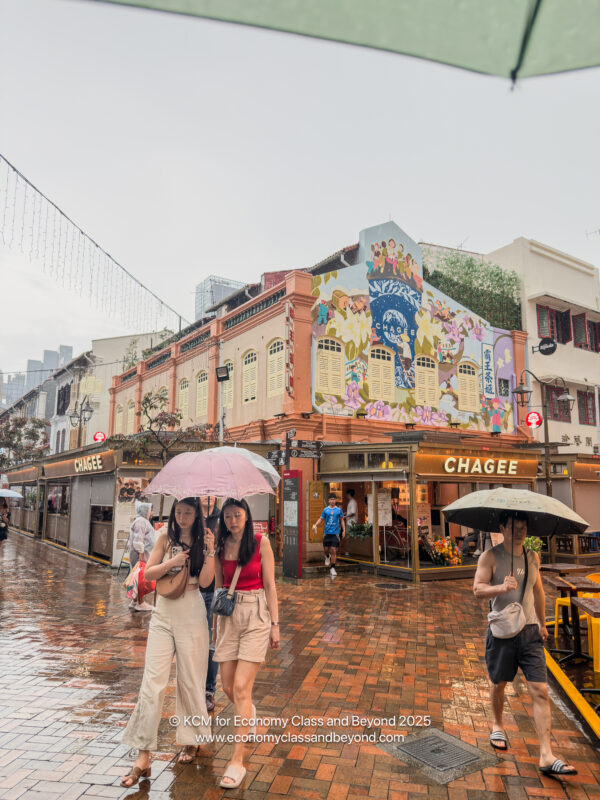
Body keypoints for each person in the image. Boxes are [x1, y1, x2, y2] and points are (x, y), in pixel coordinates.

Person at [473, 510, 577, 777]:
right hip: (502, 633)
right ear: (502, 528)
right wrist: (500, 588)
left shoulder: (532, 557)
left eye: (522, 527)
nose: (519, 531)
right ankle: (497, 724)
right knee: (499, 684)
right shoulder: (490, 556)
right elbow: (477, 589)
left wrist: (542, 622)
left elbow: (538, 590)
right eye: (513, 526)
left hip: (529, 631)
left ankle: (546, 754)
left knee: (540, 690)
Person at [120, 497, 215, 788]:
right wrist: (172, 562)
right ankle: (143, 754)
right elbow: (148, 574)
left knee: (190, 679)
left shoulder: (205, 538)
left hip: (192, 609)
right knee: (153, 682)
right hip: (163, 613)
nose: (183, 516)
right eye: (178, 512)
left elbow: (209, 581)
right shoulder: (164, 535)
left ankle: (191, 739)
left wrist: (210, 552)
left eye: (188, 512)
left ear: (197, 514)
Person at [213, 498, 279, 789]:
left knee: (241, 688)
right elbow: (217, 588)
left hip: (255, 614)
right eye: (227, 516)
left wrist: (275, 625)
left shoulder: (261, 542)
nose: (232, 520)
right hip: (228, 617)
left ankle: (237, 761)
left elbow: (270, 585)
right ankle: (249, 713)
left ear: (247, 515)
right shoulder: (219, 547)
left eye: (237, 515)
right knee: (227, 687)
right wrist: (216, 628)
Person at [200, 495, 220, 713]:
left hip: (214, 588)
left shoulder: (222, 519)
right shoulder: (192, 517)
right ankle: (193, 688)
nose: (208, 495)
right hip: (192, 588)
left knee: (211, 642)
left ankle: (208, 690)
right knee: (193, 641)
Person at [126, 501, 156, 612]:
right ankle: (141, 602)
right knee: (140, 578)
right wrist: (140, 554)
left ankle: (134, 601)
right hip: (141, 555)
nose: (152, 512)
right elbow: (139, 539)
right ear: (145, 511)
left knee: (137, 578)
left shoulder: (142, 521)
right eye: (151, 510)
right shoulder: (141, 522)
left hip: (142, 554)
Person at [312, 493, 345, 578]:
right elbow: (321, 519)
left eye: (334, 499)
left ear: (336, 500)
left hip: (335, 533)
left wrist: (344, 530)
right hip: (327, 533)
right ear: (329, 500)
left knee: (333, 550)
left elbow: (342, 521)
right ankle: (327, 556)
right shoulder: (325, 510)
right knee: (326, 549)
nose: (333, 501)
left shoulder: (339, 510)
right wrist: (315, 525)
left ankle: (333, 568)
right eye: (331, 499)